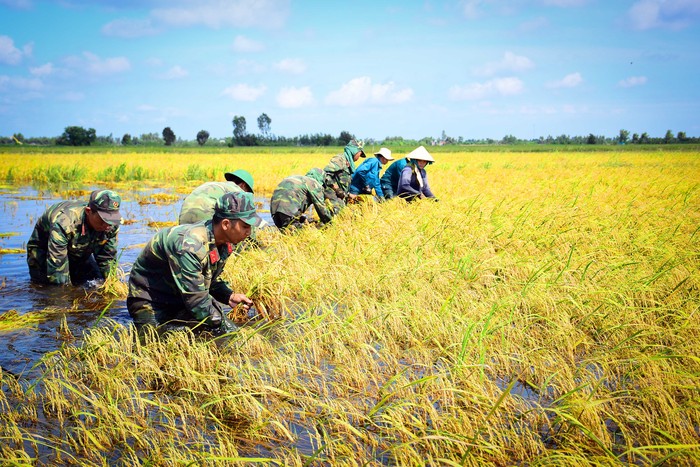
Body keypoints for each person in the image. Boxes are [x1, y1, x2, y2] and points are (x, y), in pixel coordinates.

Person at [127, 192, 262, 336]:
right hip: (150, 299)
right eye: (245, 226)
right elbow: (197, 301)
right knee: (154, 338)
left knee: (201, 332)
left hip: (179, 297)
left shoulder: (223, 243)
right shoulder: (190, 245)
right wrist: (233, 332)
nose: (249, 232)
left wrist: (228, 296)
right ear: (226, 224)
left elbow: (208, 280)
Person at [26, 189, 122, 286]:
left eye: (111, 220)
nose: (107, 225)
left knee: (97, 279)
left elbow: (107, 257)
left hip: (78, 249)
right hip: (45, 250)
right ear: (88, 211)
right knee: (49, 288)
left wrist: (113, 283)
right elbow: (57, 269)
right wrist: (64, 295)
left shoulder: (111, 225)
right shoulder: (65, 223)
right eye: (103, 220)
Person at [178, 169, 254, 224]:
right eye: (247, 191)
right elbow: (248, 219)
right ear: (243, 185)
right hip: (205, 219)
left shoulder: (215, 184)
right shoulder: (238, 191)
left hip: (183, 218)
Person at [323, 139, 365, 213]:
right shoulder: (340, 159)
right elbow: (325, 175)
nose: (359, 157)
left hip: (339, 196)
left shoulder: (349, 163)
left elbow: (342, 185)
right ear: (355, 151)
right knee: (337, 214)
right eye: (360, 153)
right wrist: (336, 189)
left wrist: (349, 195)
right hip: (330, 194)